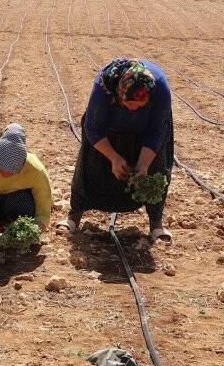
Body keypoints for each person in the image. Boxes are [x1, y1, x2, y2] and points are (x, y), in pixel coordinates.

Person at [58, 58, 174, 241]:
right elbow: (93, 129)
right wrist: (113, 157)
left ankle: (156, 224)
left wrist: (143, 165)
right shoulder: (104, 86)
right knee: (89, 165)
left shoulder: (159, 89)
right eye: (129, 103)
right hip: (108, 130)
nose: (133, 109)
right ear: (120, 93)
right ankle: (74, 215)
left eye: (139, 105)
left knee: (155, 169)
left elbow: (157, 131)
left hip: (145, 132)